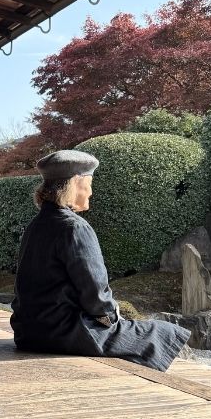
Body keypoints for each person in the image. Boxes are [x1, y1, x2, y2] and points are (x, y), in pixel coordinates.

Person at [10, 149, 192, 372]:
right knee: (163, 332)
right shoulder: (75, 227)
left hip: (27, 333)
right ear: (75, 182)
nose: (91, 192)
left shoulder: (35, 225)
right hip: (64, 333)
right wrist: (111, 319)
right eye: (89, 183)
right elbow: (96, 294)